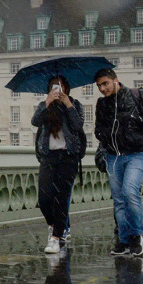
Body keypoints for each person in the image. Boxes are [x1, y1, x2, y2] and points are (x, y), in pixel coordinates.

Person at [93, 68, 143, 258]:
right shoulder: (102, 103)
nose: (102, 89)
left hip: (136, 153)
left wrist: (133, 119)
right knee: (119, 200)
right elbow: (98, 130)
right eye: (99, 86)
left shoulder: (137, 95)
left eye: (105, 83)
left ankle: (136, 236)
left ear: (116, 81)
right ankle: (123, 240)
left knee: (130, 192)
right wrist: (107, 133)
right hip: (114, 156)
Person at [32, 75, 85, 255]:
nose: (58, 89)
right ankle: (54, 226)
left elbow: (78, 126)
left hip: (68, 157)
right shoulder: (46, 106)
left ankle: (56, 238)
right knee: (44, 199)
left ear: (66, 88)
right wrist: (47, 102)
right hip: (48, 156)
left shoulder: (75, 105)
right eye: (54, 86)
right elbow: (34, 121)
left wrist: (68, 104)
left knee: (61, 199)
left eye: (61, 86)